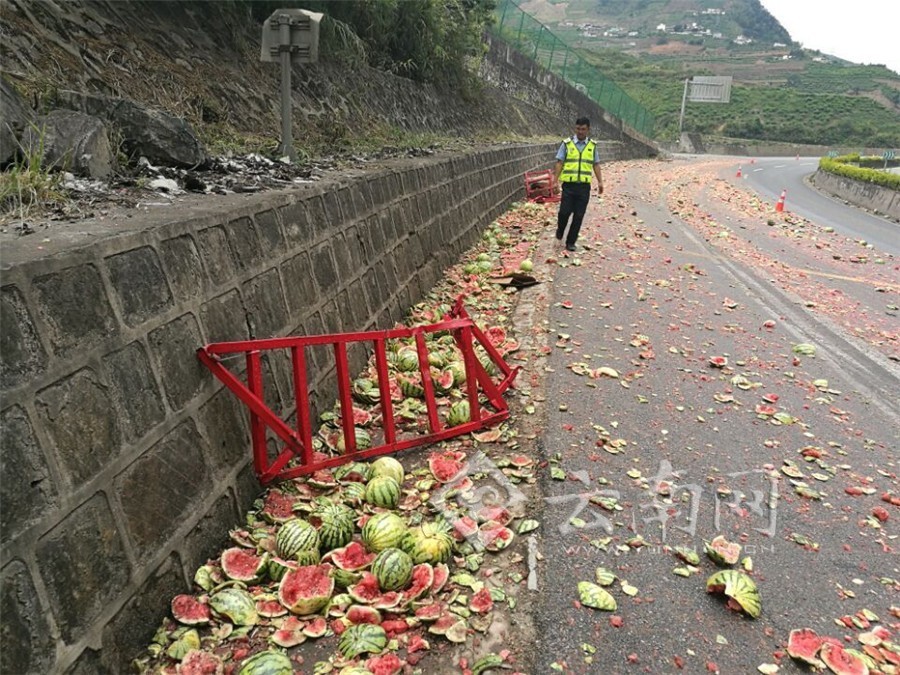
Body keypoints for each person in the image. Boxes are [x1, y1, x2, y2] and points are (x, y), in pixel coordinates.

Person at [553, 117, 604, 251]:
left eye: (583, 129)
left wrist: (600, 182)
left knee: (579, 215)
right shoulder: (566, 144)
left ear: (588, 130)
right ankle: (560, 232)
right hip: (569, 186)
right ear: (575, 128)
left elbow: (596, 164)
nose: (580, 132)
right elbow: (559, 162)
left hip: (584, 187)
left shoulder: (592, 146)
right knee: (564, 213)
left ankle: (571, 242)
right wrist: (555, 181)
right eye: (578, 129)